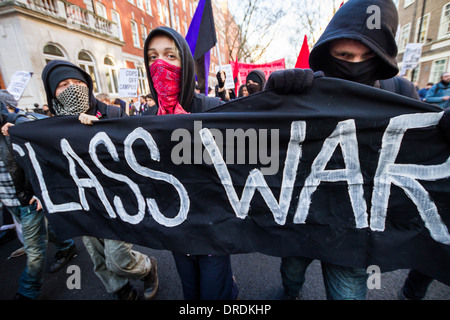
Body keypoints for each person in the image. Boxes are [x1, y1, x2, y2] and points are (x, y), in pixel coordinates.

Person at [266, 0, 423, 300]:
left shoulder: (400, 94)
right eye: (345, 56)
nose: (356, 64)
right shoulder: (308, 91)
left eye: (368, 57)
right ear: (328, 54)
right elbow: (260, 137)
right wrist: (273, 96)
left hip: (352, 234)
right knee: (291, 275)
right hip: (302, 218)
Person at [41, 60, 159, 300]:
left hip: (116, 199)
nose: (72, 88)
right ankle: (122, 290)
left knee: (119, 259)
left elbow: (136, 152)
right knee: (98, 257)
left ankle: (147, 268)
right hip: (83, 202)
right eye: (63, 85)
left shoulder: (111, 112)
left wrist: (100, 129)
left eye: (77, 82)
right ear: (52, 91)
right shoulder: (50, 125)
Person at [142, 26, 238, 300]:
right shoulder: (146, 118)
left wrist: (289, 93)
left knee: (213, 294)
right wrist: (88, 128)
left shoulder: (212, 108)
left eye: (170, 56)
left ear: (184, 61)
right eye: (152, 57)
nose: (160, 63)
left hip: (213, 229)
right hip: (176, 229)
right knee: (192, 292)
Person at [0, 90, 78, 299]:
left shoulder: (16, 126)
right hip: (8, 200)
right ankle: (67, 246)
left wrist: (39, 191)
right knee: (49, 227)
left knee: (34, 251)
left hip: (27, 198)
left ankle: (27, 291)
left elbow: (40, 156)